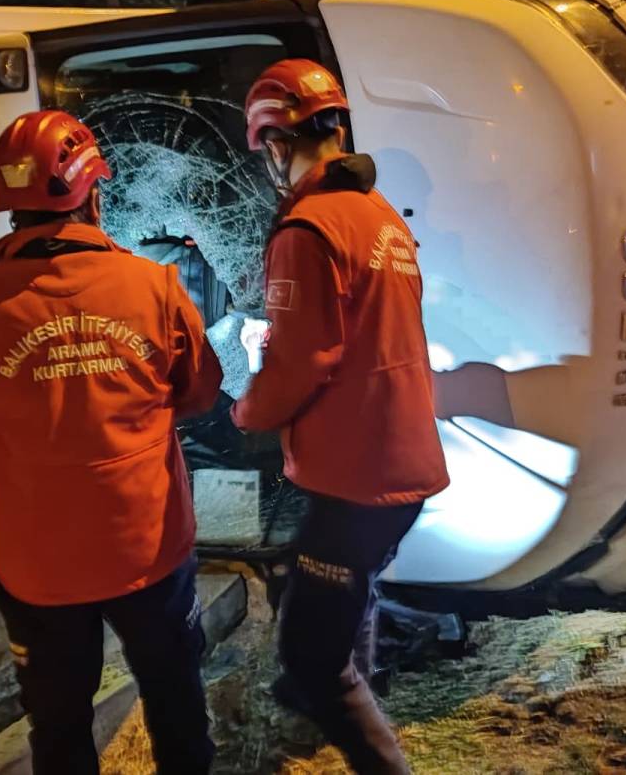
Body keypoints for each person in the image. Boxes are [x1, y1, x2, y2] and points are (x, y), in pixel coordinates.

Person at [0, 110, 222, 775]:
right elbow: (201, 393)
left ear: (9, 207)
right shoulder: (155, 287)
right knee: (177, 708)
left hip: (39, 569)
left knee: (59, 732)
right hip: (148, 550)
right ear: (93, 194)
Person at [231, 60, 451, 774]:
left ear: (272, 142)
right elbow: (364, 332)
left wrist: (246, 408)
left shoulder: (308, 225)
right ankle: (320, 697)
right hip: (402, 454)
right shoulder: (378, 216)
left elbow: (305, 361)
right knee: (348, 590)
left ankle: (347, 719)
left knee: (311, 647)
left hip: (360, 472)